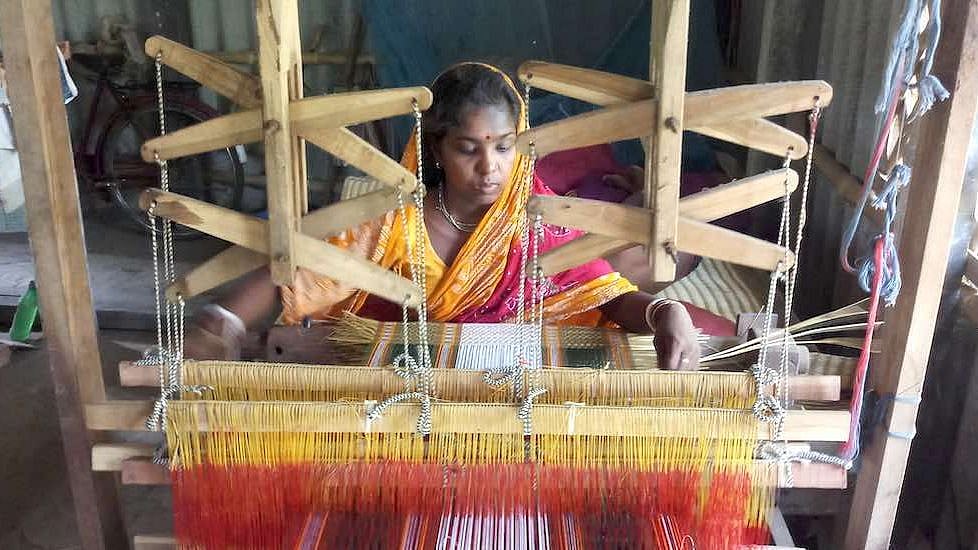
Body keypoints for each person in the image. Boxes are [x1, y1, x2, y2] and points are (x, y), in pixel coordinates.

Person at [186, 62, 701, 370]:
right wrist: (221, 322)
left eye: (504, 147)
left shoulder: (537, 222)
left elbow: (603, 296)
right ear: (435, 148)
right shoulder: (396, 224)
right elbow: (300, 270)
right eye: (468, 148)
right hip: (406, 415)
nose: (489, 167)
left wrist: (666, 313)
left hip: (515, 413)